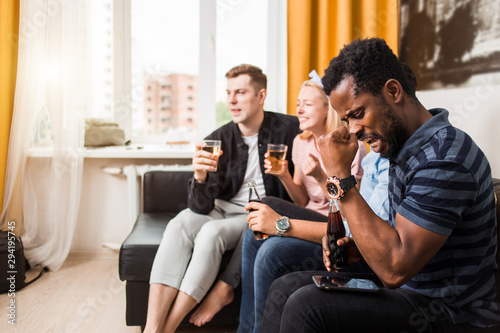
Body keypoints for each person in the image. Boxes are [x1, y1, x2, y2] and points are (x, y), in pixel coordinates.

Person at [259, 38, 500, 332]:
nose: (354, 130)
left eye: (358, 114)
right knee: (287, 287)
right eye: (346, 120)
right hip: (412, 289)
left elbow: (394, 268)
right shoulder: (403, 148)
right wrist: (360, 250)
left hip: (450, 312)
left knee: (306, 305)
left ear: (393, 91)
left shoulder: (444, 159)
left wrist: (340, 177)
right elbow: (394, 234)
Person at [143, 64, 300, 333]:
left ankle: (166, 329)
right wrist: (200, 177)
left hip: (253, 213)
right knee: (178, 224)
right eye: (228, 93)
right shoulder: (217, 139)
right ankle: (151, 328)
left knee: (211, 233)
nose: (232, 100)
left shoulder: (289, 129)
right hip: (220, 208)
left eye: (240, 92)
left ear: (261, 96)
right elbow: (201, 207)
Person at [238, 74, 369, 333]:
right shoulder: (301, 142)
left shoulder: (352, 148)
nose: (298, 109)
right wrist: (284, 175)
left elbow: (348, 212)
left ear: (327, 108)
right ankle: (247, 328)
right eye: (298, 103)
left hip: (335, 222)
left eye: (307, 104)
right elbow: (301, 200)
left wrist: (321, 177)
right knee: (260, 215)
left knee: (268, 223)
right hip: (312, 214)